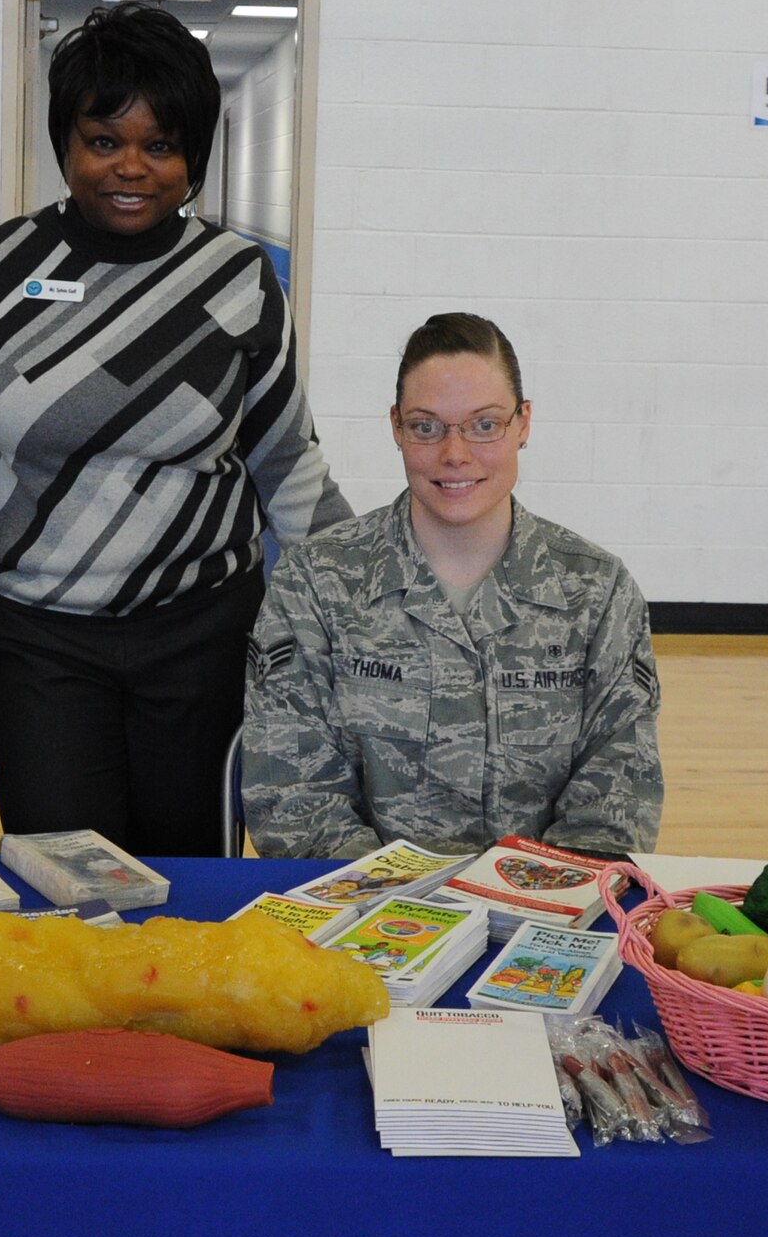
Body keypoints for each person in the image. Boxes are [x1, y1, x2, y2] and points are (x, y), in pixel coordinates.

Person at [0, 2, 349, 857]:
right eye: (104, 140)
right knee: (67, 890)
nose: (132, 168)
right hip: (42, 647)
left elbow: (287, 467)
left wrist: (375, 595)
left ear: (193, 155)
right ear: (66, 143)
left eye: (161, 145)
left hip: (202, 638)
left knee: (185, 890)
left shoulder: (236, 278)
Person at [242, 313, 662, 860]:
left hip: (544, 919)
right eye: (426, 426)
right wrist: (404, 913)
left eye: (485, 424)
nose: (455, 453)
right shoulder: (316, 585)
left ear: (523, 423)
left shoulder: (597, 592)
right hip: (367, 921)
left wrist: (537, 905)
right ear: (396, 427)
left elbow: (617, 796)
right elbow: (293, 799)